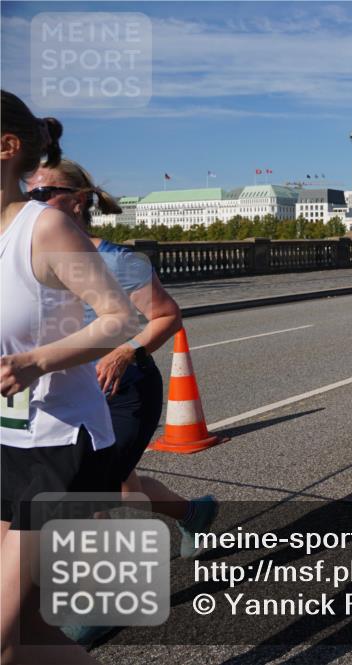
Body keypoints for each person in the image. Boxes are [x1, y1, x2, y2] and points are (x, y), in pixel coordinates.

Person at [26, 160, 217, 566]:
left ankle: (98, 591)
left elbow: (167, 316)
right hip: (64, 394)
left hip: (122, 392)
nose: (32, 203)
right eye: (28, 194)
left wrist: (126, 350)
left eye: (43, 194)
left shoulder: (120, 261)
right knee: (123, 489)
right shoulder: (27, 260)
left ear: (78, 201)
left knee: (87, 493)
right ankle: (193, 514)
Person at [1, 90, 135, 664]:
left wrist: (35, 362)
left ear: (7, 147)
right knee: (26, 633)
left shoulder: (46, 229)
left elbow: (120, 318)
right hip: (6, 440)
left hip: (58, 443)